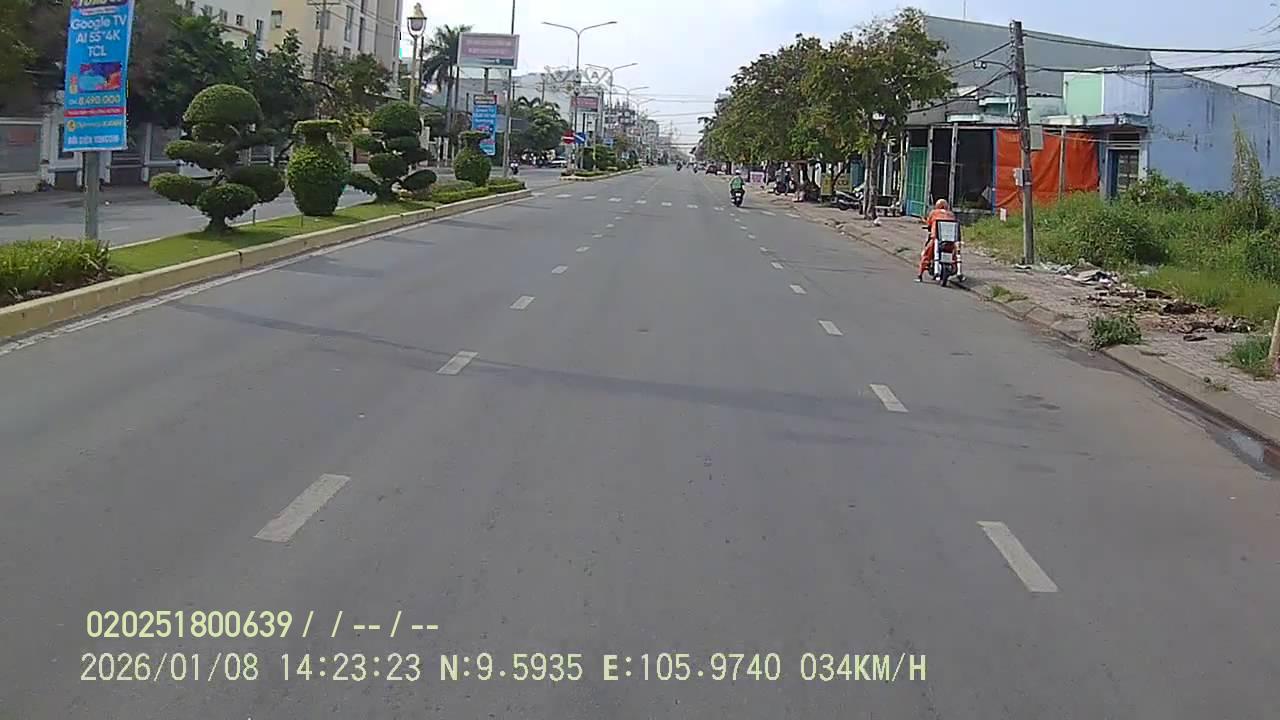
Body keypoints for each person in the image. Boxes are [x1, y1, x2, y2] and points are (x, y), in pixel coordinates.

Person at [918, 199, 956, 281]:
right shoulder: (951, 214)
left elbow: (929, 224)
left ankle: (920, 274)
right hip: (950, 238)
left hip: (936, 237)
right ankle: (955, 268)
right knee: (954, 255)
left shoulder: (934, 213)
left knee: (926, 255)